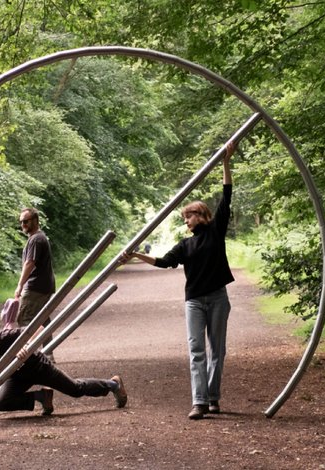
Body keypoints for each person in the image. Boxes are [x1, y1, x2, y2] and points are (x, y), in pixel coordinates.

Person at [120, 142, 236, 420]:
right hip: (195, 301)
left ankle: (213, 397)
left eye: (189, 215)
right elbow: (162, 262)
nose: (186, 220)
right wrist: (135, 254)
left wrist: (225, 162)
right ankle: (199, 402)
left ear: (202, 215)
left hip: (218, 298)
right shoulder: (185, 245)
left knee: (217, 350)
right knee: (197, 350)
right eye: (184, 217)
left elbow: (227, 196)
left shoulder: (215, 232)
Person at [0, 318, 127, 415]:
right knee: (2, 403)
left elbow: (39, 329)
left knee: (75, 390)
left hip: (39, 367)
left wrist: (27, 345)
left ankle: (113, 384)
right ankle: (42, 396)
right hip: (17, 376)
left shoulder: (7, 336)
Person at [14, 208, 56, 359]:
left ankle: (30, 355)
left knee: (25, 318)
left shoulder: (36, 239)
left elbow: (29, 263)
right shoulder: (38, 238)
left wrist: (20, 285)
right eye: (21, 222)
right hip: (43, 285)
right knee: (42, 318)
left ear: (36, 221)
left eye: (26, 221)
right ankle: (48, 353)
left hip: (35, 286)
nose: (23, 224)